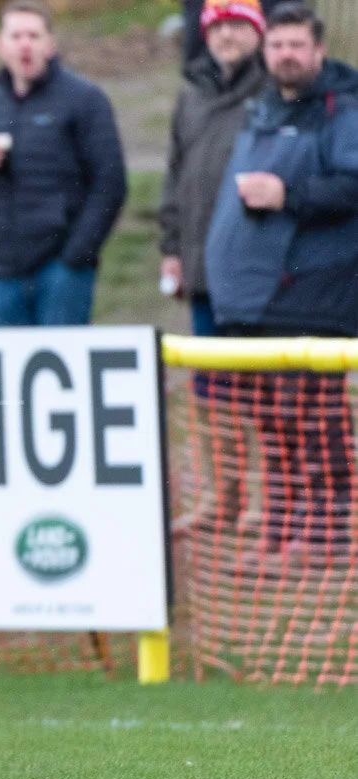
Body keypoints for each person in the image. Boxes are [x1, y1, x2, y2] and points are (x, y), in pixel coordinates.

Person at [204, 2, 358, 555]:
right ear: (264, 50)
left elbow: (352, 184)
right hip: (258, 298)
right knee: (272, 425)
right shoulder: (263, 108)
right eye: (277, 45)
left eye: (297, 45)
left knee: (314, 420)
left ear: (319, 50)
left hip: (316, 294)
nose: (286, 55)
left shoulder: (343, 110)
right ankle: (280, 529)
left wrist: (287, 195)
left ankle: (325, 534)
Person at [0, 0, 127, 327]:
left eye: (33, 35)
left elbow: (111, 184)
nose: (25, 44)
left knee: (64, 359)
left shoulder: (85, 99)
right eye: (16, 36)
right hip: (3, 271)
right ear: (1, 45)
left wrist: (76, 256)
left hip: (62, 269)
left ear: (50, 44)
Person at [161, 0, 267, 337]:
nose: (226, 35)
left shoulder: (274, 94)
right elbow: (175, 177)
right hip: (201, 272)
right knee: (208, 368)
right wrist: (171, 251)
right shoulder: (190, 98)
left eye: (237, 25)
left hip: (258, 277)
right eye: (217, 27)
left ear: (258, 32)